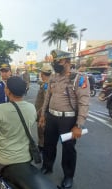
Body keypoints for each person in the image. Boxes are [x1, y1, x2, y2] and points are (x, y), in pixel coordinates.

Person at [39, 50, 90, 189]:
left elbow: (84, 102)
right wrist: (43, 115)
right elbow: (47, 98)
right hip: (52, 118)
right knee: (49, 145)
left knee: (68, 149)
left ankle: (68, 176)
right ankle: (47, 166)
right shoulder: (53, 78)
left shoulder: (78, 78)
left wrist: (79, 125)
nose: (56, 64)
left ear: (67, 61)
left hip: (68, 121)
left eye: (58, 61)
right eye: (54, 62)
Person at [0, 76, 37, 189]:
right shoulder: (32, 108)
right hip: (25, 157)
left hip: (3, 158)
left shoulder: (1, 109)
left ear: (8, 91)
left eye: (6, 87)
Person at [34, 64, 52, 153]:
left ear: (42, 74)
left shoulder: (46, 85)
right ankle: (42, 146)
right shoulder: (46, 83)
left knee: (41, 131)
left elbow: (46, 101)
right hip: (42, 113)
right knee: (41, 131)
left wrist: (40, 113)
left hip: (42, 114)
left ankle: (42, 147)